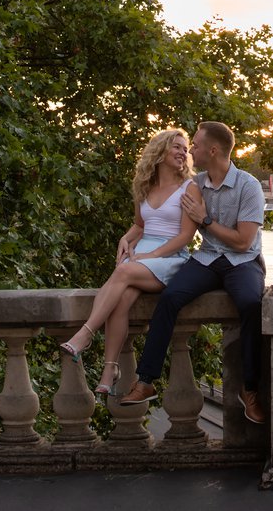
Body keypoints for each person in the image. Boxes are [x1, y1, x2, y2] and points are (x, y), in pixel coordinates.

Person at [117, 120, 268, 425]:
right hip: (208, 258)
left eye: (196, 145)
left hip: (243, 261)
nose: (191, 150)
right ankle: (146, 380)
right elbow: (159, 217)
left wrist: (206, 221)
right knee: (170, 297)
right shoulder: (196, 184)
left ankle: (249, 389)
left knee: (251, 304)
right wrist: (131, 237)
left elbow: (243, 241)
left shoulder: (248, 186)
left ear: (213, 151)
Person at [57, 128, 199, 400]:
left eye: (186, 148)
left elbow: (185, 236)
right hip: (141, 254)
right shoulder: (144, 185)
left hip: (169, 257)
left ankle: (85, 335)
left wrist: (151, 255)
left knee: (122, 270)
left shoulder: (189, 187)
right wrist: (126, 237)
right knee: (120, 302)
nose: (184, 153)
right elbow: (140, 224)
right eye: (178, 147)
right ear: (160, 151)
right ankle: (110, 372)